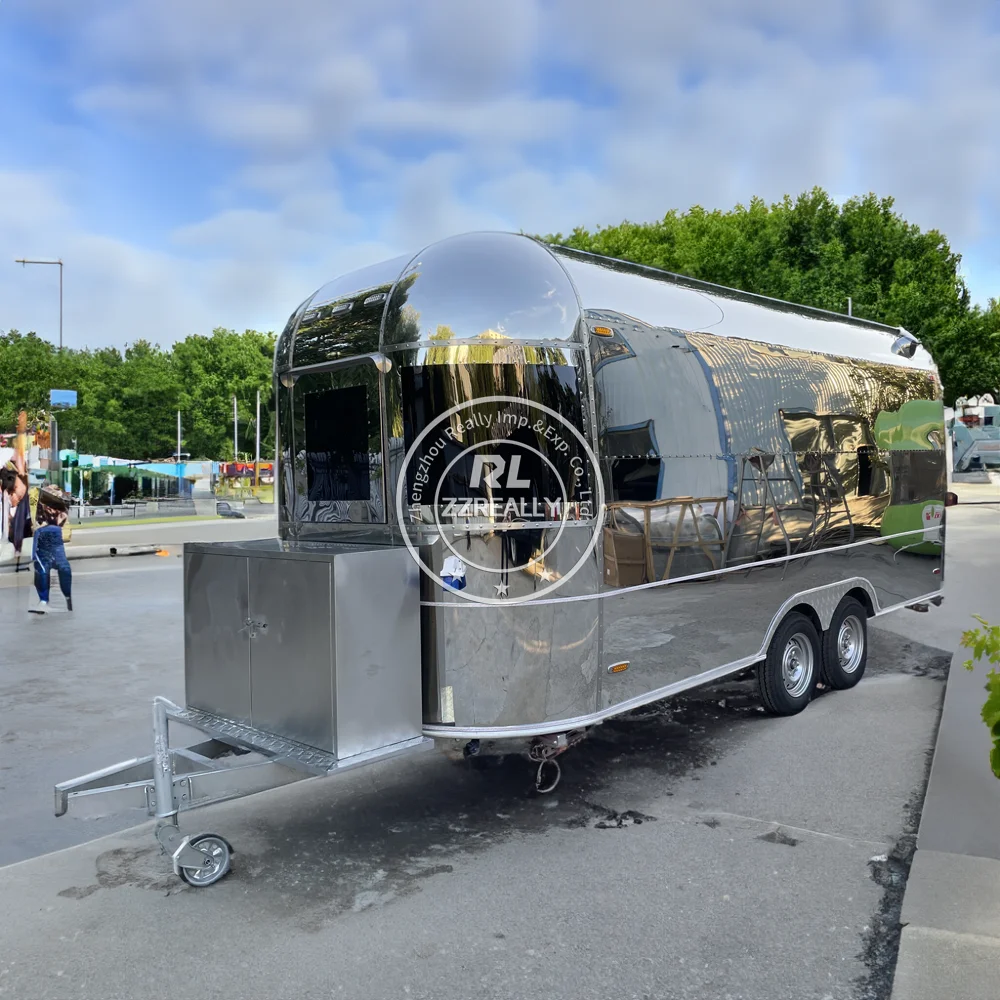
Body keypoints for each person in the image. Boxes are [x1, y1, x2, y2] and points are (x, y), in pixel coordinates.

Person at [30, 501, 72, 614]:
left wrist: (33, 556)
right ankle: (65, 599)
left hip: (48, 547)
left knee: (43, 571)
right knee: (54, 569)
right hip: (48, 547)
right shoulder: (54, 526)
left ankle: (45, 600)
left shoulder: (48, 527)